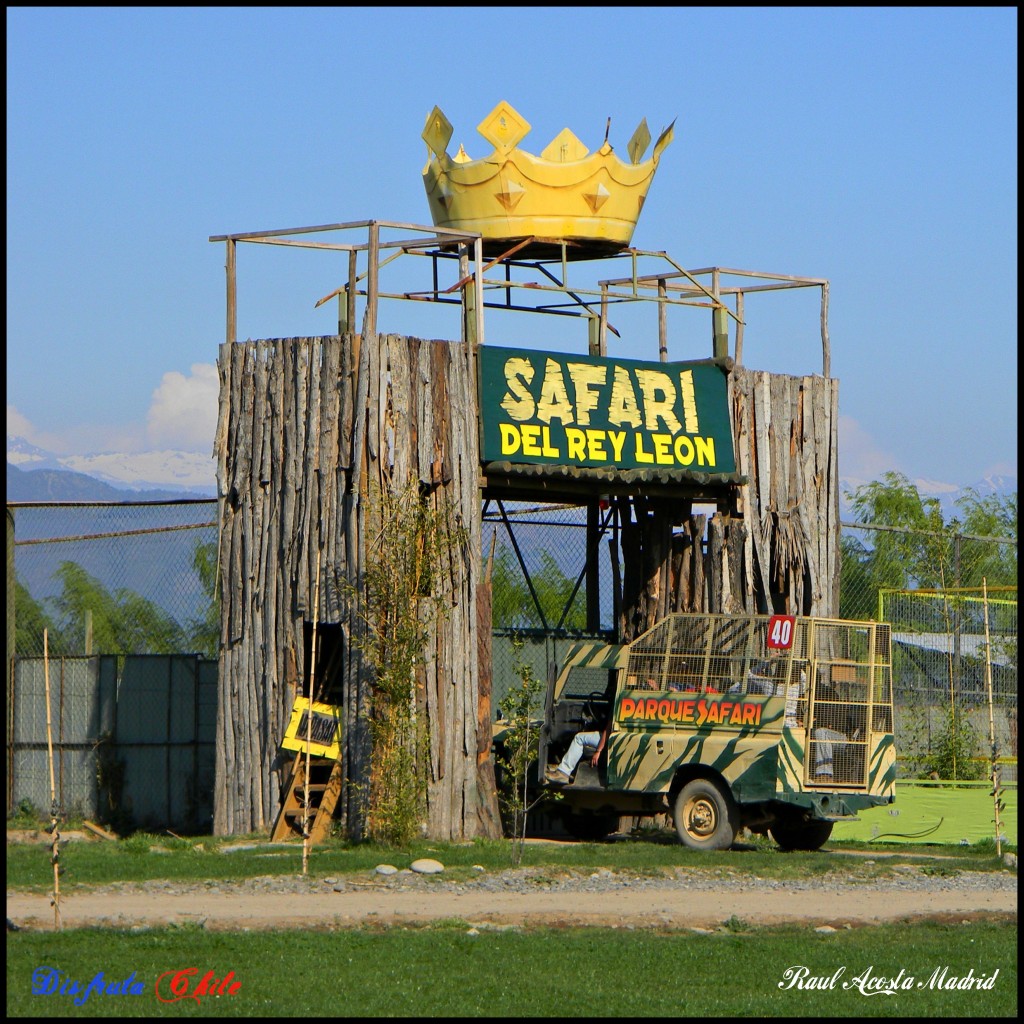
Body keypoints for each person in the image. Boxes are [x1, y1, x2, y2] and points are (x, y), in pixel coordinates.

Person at [545, 720, 610, 785]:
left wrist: (598, 751)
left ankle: (563, 773)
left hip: (611, 739)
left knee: (579, 738)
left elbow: (608, 730)